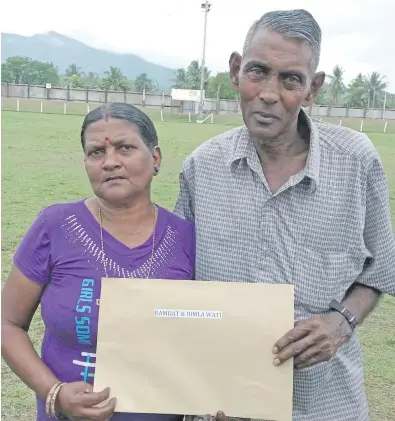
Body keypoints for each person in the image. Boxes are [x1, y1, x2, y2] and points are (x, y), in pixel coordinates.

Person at [175, 9, 395, 421]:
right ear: (236, 71)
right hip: (222, 405)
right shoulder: (200, 168)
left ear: (312, 89)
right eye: (258, 71)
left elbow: (377, 272)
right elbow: (177, 287)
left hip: (326, 407)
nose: (269, 93)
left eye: (290, 79)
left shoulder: (356, 162)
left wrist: (341, 321)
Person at [1, 103, 196, 421]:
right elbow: (7, 325)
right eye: (95, 153)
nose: (110, 162)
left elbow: (209, 334)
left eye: (125, 148)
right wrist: (55, 393)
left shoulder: (187, 237)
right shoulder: (55, 225)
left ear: (156, 157)